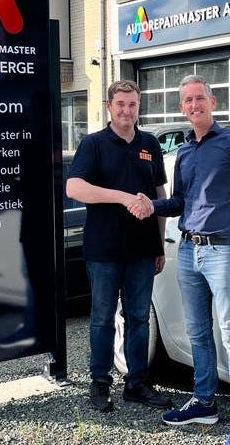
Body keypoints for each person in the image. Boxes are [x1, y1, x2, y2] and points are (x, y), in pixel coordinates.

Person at [131, 74, 230, 445]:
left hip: (225, 251)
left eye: (200, 99)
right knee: (197, 332)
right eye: (188, 101)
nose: (194, 105)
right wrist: (151, 206)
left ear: (212, 101)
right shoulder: (187, 152)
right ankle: (204, 402)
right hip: (190, 251)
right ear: (182, 108)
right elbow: (180, 203)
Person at [66, 80, 172, 412]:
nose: (127, 111)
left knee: (139, 317)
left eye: (133, 105)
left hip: (142, 250)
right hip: (104, 249)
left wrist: (160, 244)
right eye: (121, 104)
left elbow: (160, 197)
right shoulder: (93, 144)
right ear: (110, 106)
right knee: (101, 318)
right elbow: (74, 187)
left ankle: (137, 383)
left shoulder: (150, 144)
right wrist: (122, 197)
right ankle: (99, 383)